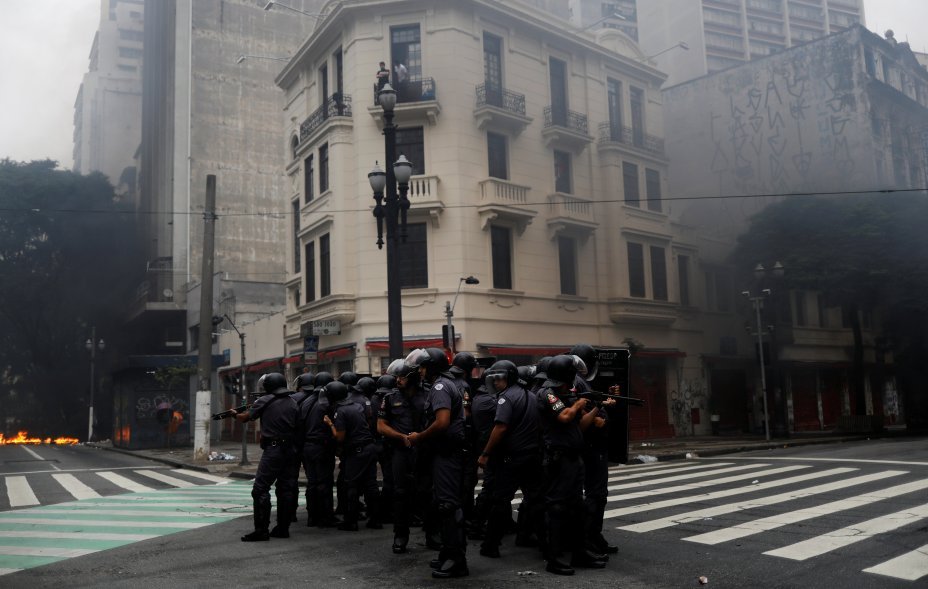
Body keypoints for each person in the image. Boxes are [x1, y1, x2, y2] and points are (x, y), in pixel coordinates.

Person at [536, 355, 607, 575]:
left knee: (578, 508)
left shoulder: (564, 395)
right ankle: (554, 558)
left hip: (574, 458)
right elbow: (565, 417)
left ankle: (580, 553)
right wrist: (578, 404)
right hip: (559, 459)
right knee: (557, 508)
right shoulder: (547, 394)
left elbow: (581, 426)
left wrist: (595, 407)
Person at [405, 348, 469, 579]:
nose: (420, 372)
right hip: (442, 452)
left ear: (431, 367)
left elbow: (442, 423)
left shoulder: (441, 387)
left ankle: (457, 560)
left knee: (448, 506)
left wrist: (419, 437)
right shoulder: (444, 384)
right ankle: (448, 552)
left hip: (447, 453)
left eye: (422, 367)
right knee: (443, 504)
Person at [476, 360, 544, 559]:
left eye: (499, 379)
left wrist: (485, 453)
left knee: (500, 501)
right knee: (536, 501)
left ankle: (490, 546)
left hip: (512, 459)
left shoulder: (505, 398)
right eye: (494, 379)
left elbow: (500, 427)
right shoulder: (531, 395)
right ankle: (547, 546)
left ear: (510, 378)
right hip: (532, 457)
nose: (496, 383)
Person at [234, 372, 299, 541]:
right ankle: (283, 528)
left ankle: (261, 530)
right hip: (291, 450)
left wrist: (234, 413)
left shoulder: (264, 400)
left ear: (269, 386)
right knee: (286, 489)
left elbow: (245, 418)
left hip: (274, 450)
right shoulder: (293, 402)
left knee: (260, 488)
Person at [570, 343, 619, 557]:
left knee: (596, 494)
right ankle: (589, 537)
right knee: (596, 495)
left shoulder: (577, 381)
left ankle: (592, 537)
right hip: (592, 446)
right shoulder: (579, 382)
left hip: (589, 446)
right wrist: (603, 407)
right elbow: (591, 421)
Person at [377, 363, 426, 554]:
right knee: (400, 494)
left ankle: (433, 533)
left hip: (423, 450)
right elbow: (381, 425)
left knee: (427, 491)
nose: (398, 380)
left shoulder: (428, 395)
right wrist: (401, 437)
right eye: (397, 377)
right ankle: (400, 535)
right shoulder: (390, 398)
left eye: (402, 377)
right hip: (400, 452)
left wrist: (421, 437)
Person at [324, 381, 382, 531]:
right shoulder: (357, 406)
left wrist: (330, 424)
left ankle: (351, 521)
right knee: (371, 484)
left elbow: (340, 437)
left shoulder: (341, 411)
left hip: (356, 452)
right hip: (369, 448)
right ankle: (376, 519)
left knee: (351, 485)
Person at [303, 371, 339, 527]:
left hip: (307, 447)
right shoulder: (326, 402)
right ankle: (326, 517)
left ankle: (312, 516)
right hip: (321, 446)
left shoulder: (306, 401)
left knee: (312, 482)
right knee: (324, 482)